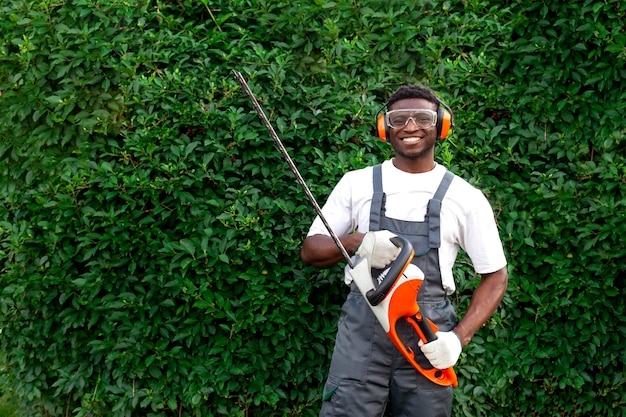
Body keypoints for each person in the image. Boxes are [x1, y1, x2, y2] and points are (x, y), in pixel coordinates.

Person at [300, 85, 508, 417]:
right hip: (361, 337)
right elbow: (311, 251)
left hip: (427, 339)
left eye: (423, 118)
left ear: (441, 125)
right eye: (399, 119)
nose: (410, 126)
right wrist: (357, 242)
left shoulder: (466, 197)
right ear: (386, 127)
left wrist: (458, 339)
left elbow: (496, 277)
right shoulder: (357, 183)